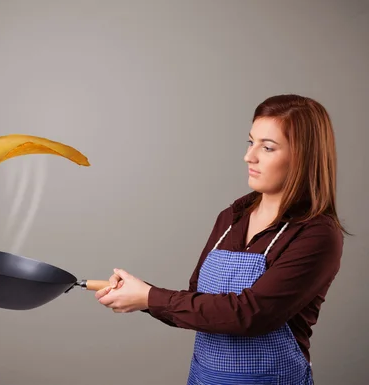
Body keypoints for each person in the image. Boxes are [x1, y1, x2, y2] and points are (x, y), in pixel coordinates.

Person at [95, 94, 347, 385]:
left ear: (304, 157)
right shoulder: (232, 218)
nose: (249, 156)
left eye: (267, 147)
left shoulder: (316, 234)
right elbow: (198, 305)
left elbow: (249, 314)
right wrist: (139, 295)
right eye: (250, 142)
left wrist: (149, 297)